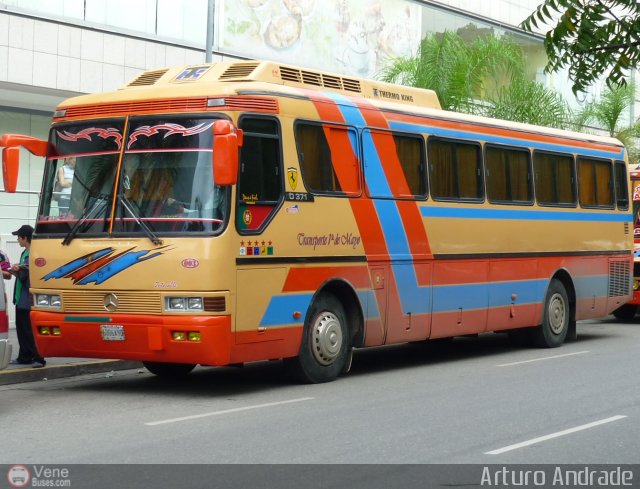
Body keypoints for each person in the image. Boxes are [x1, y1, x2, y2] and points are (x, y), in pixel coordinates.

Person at [8, 224, 46, 368]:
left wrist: (18, 270)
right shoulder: (25, 253)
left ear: (25, 238)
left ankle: (39, 357)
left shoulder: (33, 254)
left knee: (29, 330)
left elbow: (32, 274)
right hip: (20, 298)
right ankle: (24, 356)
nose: (18, 240)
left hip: (27, 298)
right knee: (21, 329)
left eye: (19, 237)